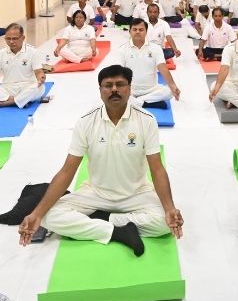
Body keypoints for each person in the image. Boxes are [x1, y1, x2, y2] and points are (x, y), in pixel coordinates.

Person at [18, 65, 183, 256]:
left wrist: (170, 209)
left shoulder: (146, 120)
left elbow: (157, 169)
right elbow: (67, 171)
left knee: (165, 223)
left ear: (130, 89)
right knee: (48, 217)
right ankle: (117, 232)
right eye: (108, 85)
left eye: (120, 84)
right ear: (100, 91)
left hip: (136, 192)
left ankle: (103, 219)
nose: (114, 90)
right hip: (96, 193)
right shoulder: (86, 122)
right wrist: (36, 214)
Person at [105, 19, 181, 107]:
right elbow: (117, 72)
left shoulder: (156, 48)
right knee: (111, 94)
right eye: (134, 29)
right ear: (129, 31)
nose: (137, 32)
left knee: (170, 92)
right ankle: (147, 103)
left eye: (141, 30)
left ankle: (137, 102)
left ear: (146, 31)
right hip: (131, 89)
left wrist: (173, 85)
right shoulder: (122, 50)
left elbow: (163, 68)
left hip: (152, 89)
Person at [0, 23, 47, 108]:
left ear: (23, 38)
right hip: (7, 89)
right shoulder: (0, 53)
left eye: (15, 38)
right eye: (8, 39)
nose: (11, 42)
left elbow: (39, 72)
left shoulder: (33, 51)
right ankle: (18, 100)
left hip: (27, 86)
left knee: (40, 88)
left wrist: (41, 79)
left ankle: (5, 103)